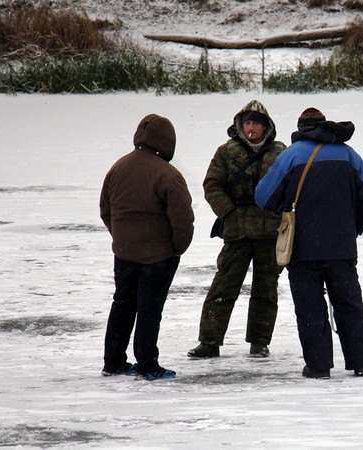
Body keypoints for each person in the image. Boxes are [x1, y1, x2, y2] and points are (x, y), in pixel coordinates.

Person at [254, 108, 363, 378]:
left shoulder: (290, 156)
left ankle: (319, 366)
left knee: (310, 307)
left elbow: (263, 197)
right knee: (349, 304)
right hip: (342, 248)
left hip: (302, 249)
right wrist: (351, 230)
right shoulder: (348, 154)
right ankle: (362, 363)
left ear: (300, 128)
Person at [188, 100, 286, 359]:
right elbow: (212, 184)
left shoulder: (280, 152)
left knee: (266, 291)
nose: (251, 128)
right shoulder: (226, 151)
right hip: (237, 231)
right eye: (247, 123)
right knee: (223, 287)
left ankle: (259, 342)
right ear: (240, 126)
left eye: (256, 123)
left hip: (270, 233)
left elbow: (291, 186)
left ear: (266, 127)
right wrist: (228, 213)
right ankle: (209, 342)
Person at [100, 113, 195, 380]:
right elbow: (183, 220)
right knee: (149, 309)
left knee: (122, 304)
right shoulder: (168, 175)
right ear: (167, 142)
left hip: (124, 252)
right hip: (158, 256)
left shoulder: (118, 167)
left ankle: (114, 361)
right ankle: (148, 364)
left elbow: (105, 210)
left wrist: (121, 237)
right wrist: (176, 248)